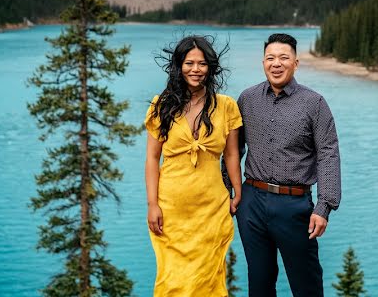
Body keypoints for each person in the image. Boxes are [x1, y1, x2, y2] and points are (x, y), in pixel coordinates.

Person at [233, 33, 341, 297]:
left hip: (295, 208)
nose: (276, 63)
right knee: (259, 284)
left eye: (284, 58)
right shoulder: (247, 99)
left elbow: (328, 153)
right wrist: (231, 191)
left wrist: (324, 206)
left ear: (296, 63)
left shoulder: (314, 103)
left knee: (306, 287)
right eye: (271, 58)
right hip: (252, 204)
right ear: (263, 63)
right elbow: (234, 149)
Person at [144, 35, 243, 297]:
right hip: (171, 209)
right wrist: (152, 204)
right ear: (179, 66)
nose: (196, 69)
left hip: (212, 207)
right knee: (172, 279)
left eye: (202, 64)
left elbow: (232, 155)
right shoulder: (162, 105)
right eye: (189, 63)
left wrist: (237, 190)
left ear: (210, 67)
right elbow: (152, 159)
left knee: (208, 277)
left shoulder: (226, 106)